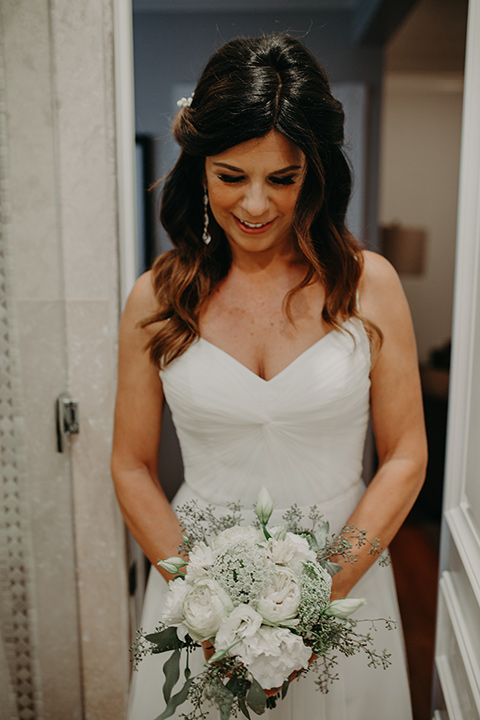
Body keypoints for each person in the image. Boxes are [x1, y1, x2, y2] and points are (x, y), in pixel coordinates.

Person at [112, 34, 427, 720]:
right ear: (199, 170)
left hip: (345, 582)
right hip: (196, 590)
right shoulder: (155, 298)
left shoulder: (368, 284)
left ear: (314, 174)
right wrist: (208, 608)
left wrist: (314, 604)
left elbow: (405, 455)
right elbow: (131, 465)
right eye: (231, 176)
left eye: (281, 179)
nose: (255, 205)